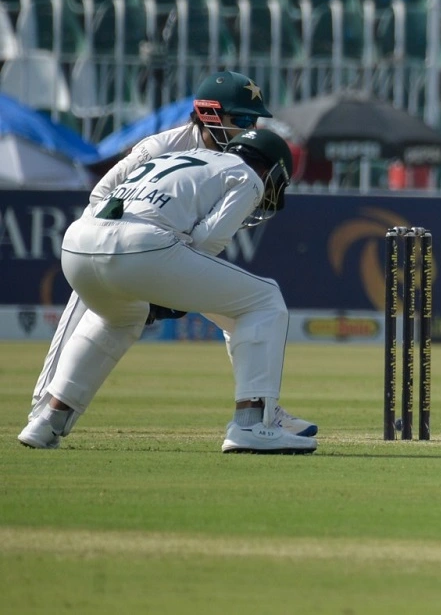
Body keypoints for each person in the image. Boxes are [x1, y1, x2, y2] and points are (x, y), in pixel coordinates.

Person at [26, 70, 317, 441]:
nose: (250, 129)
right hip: (139, 243)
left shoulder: (208, 156)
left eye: (255, 122)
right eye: (244, 120)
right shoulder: (164, 146)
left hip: (83, 244)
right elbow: (103, 194)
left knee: (122, 317)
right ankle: (251, 421)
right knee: (263, 301)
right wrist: (145, 249)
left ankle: (48, 421)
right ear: (210, 114)